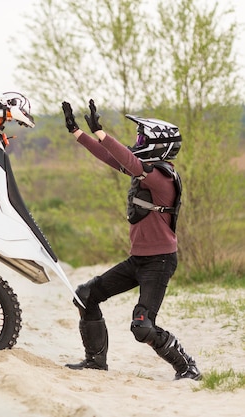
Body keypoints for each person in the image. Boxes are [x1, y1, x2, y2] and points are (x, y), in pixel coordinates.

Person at [60, 99, 201, 381]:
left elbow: (127, 160)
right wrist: (77, 132)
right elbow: (112, 158)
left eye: (141, 138)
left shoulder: (161, 177)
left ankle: (187, 368)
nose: (136, 142)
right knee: (86, 297)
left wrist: (102, 131)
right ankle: (95, 362)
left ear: (157, 145)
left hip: (159, 262)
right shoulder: (146, 172)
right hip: (139, 260)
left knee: (143, 327)